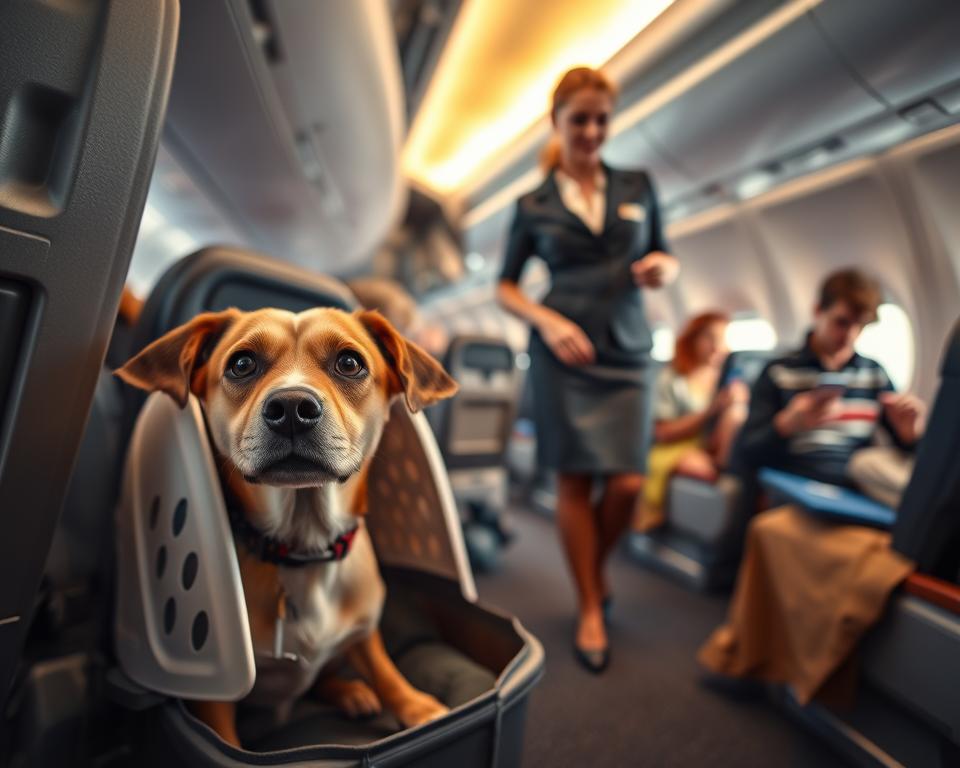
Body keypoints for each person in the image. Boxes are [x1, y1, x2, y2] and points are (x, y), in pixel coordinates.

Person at [496, 67, 679, 673]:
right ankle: (590, 607)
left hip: (628, 347)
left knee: (627, 482)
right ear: (558, 121)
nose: (593, 131)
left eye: (602, 119)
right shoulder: (532, 204)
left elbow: (666, 254)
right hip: (564, 349)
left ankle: (593, 573)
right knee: (575, 483)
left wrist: (661, 270)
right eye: (581, 119)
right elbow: (505, 286)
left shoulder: (638, 184)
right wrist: (545, 322)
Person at [735, 268, 926, 489]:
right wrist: (786, 425)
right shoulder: (779, 372)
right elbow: (745, 453)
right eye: (842, 322)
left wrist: (910, 437)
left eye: (860, 325)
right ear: (817, 311)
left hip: (856, 486)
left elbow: (904, 451)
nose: (851, 335)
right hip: (800, 482)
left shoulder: (875, 374)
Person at [634, 312, 749, 532]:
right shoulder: (672, 378)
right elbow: (662, 433)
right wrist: (710, 411)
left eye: (722, 340)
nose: (717, 347)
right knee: (705, 472)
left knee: (737, 412)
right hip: (674, 446)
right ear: (693, 339)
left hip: (712, 445)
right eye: (710, 338)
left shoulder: (727, 380)